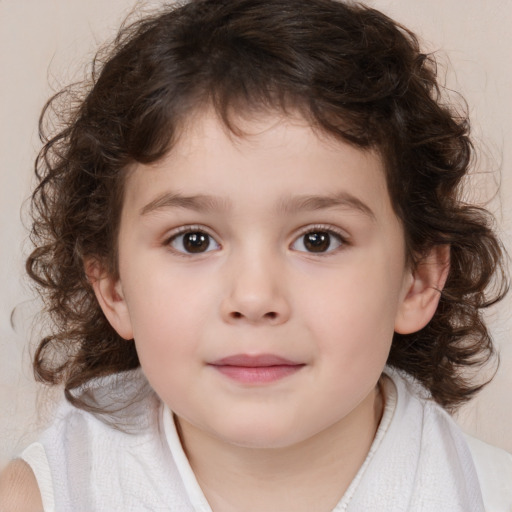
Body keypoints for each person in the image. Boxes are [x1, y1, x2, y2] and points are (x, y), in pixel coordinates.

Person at [1, 0, 511, 510]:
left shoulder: (491, 493)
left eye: (318, 239)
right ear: (113, 286)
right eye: (193, 240)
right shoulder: (40, 498)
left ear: (417, 280)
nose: (253, 297)